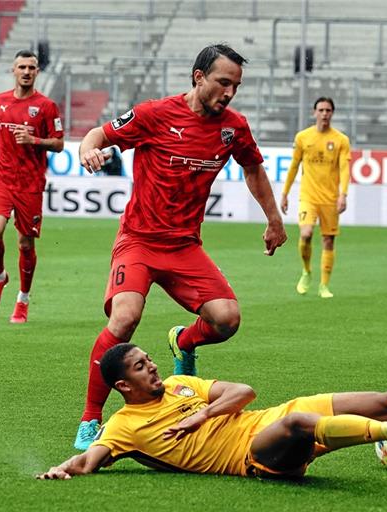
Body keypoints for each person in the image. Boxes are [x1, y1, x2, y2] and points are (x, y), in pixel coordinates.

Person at [74, 44, 287, 450]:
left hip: (184, 246)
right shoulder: (155, 114)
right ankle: (90, 419)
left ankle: (184, 342)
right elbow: (101, 133)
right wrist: (88, 149)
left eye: (235, 86)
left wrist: (274, 220)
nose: (229, 92)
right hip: (138, 240)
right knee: (124, 319)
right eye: (223, 82)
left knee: (227, 320)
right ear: (198, 77)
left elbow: (253, 168)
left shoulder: (233, 127)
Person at [37, 343, 387, 480]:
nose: (153, 366)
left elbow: (242, 391)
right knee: (298, 424)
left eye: (150, 359)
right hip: (255, 454)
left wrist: (198, 415)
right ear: (123, 385)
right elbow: (92, 458)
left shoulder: (179, 385)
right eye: (142, 365)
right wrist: (65, 466)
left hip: (265, 415)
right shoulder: (125, 425)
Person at [0, 50, 64, 323]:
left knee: (25, 243)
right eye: (21, 67)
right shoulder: (0, 101)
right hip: (2, 177)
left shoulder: (47, 106)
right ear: (13, 70)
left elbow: (59, 144)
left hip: (30, 183)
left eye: (31, 67)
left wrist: (34, 141)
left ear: (37, 72)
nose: (26, 71)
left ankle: (23, 300)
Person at [281, 97, 350, 298]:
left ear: (332, 113)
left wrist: (343, 195)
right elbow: (294, 166)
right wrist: (285, 193)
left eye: (328, 110)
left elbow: (345, 169)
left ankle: (324, 286)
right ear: (314, 113)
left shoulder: (341, 140)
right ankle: (306, 271)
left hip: (330, 198)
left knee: (328, 241)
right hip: (308, 197)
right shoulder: (303, 137)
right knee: (306, 233)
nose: (324, 114)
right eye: (321, 110)